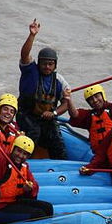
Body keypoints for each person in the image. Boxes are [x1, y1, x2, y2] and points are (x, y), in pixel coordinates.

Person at [17, 19, 71, 159]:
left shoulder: (59, 80)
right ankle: (24, 162)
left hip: (47, 118)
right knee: (33, 133)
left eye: (50, 64)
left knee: (57, 142)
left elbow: (65, 104)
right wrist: (32, 35)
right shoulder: (30, 71)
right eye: (44, 64)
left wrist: (53, 112)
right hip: (26, 115)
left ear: (55, 65)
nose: (47, 67)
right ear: (38, 63)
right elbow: (24, 55)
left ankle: (61, 167)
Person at [0, 133, 54, 224]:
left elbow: (34, 187)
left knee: (48, 207)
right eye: (18, 151)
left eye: (25, 154)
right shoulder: (1, 162)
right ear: (13, 149)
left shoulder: (24, 167)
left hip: (13, 203)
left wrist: (29, 189)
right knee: (39, 214)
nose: (20, 156)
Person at [66, 76, 112, 153]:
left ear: (102, 95)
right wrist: (68, 99)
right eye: (91, 99)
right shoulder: (89, 116)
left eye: (96, 96)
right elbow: (75, 114)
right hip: (99, 154)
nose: (95, 100)